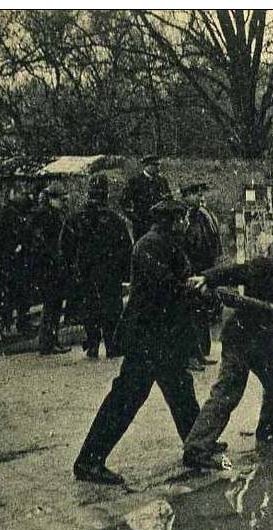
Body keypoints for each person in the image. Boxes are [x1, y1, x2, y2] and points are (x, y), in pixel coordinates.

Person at [73, 198, 203, 485]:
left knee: (180, 388)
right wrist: (192, 289)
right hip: (146, 336)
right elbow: (166, 287)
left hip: (161, 335)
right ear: (170, 220)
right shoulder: (149, 245)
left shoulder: (167, 243)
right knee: (127, 397)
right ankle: (88, 461)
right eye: (181, 219)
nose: (185, 223)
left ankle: (197, 444)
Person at [181, 226, 273, 471]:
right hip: (240, 337)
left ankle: (269, 429)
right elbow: (235, 272)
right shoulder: (264, 266)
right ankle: (196, 448)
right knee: (229, 389)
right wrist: (208, 277)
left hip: (262, 342)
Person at [62, 174, 133, 359]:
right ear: (106, 195)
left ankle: (92, 344)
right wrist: (124, 274)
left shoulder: (75, 219)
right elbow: (126, 248)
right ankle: (111, 346)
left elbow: (65, 247)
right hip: (110, 273)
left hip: (86, 272)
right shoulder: (115, 220)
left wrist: (73, 268)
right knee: (111, 308)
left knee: (90, 308)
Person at [182, 182, 223, 369]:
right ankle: (191, 355)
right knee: (190, 313)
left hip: (203, 268)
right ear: (185, 197)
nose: (199, 197)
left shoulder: (203, 216)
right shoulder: (184, 217)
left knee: (201, 312)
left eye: (199, 194)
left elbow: (212, 241)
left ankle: (200, 353)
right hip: (190, 270)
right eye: (194, 194)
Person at [30, 182, 72, 355]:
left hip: (50, 266)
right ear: (53, 199)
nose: (64, 202)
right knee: (51, 305)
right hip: (49, 267)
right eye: (61, 199)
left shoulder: (48, 214)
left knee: (52, 305)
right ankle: (48, 342)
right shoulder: (47, 216)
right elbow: (46, 244)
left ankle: (48, 341)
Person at [0, 184, 35, 337]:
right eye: (22, 193)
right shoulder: (7, 212)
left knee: (22, 292)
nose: (25, 196)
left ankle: (22, 322)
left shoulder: (22, 211)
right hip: (8, 259)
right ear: (14, 194)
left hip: (19, 259)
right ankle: (8, 325)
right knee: (8, 292)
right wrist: (12, 244)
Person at [122, 155, 171, 238]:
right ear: (146, 166)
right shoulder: (135, 181)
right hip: (141, 225)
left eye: (158, 165)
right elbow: (124, 202)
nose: (158, 168)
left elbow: (169, 199)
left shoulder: (162, 182)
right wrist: (135, 217)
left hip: (158, 224)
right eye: (154, 165)